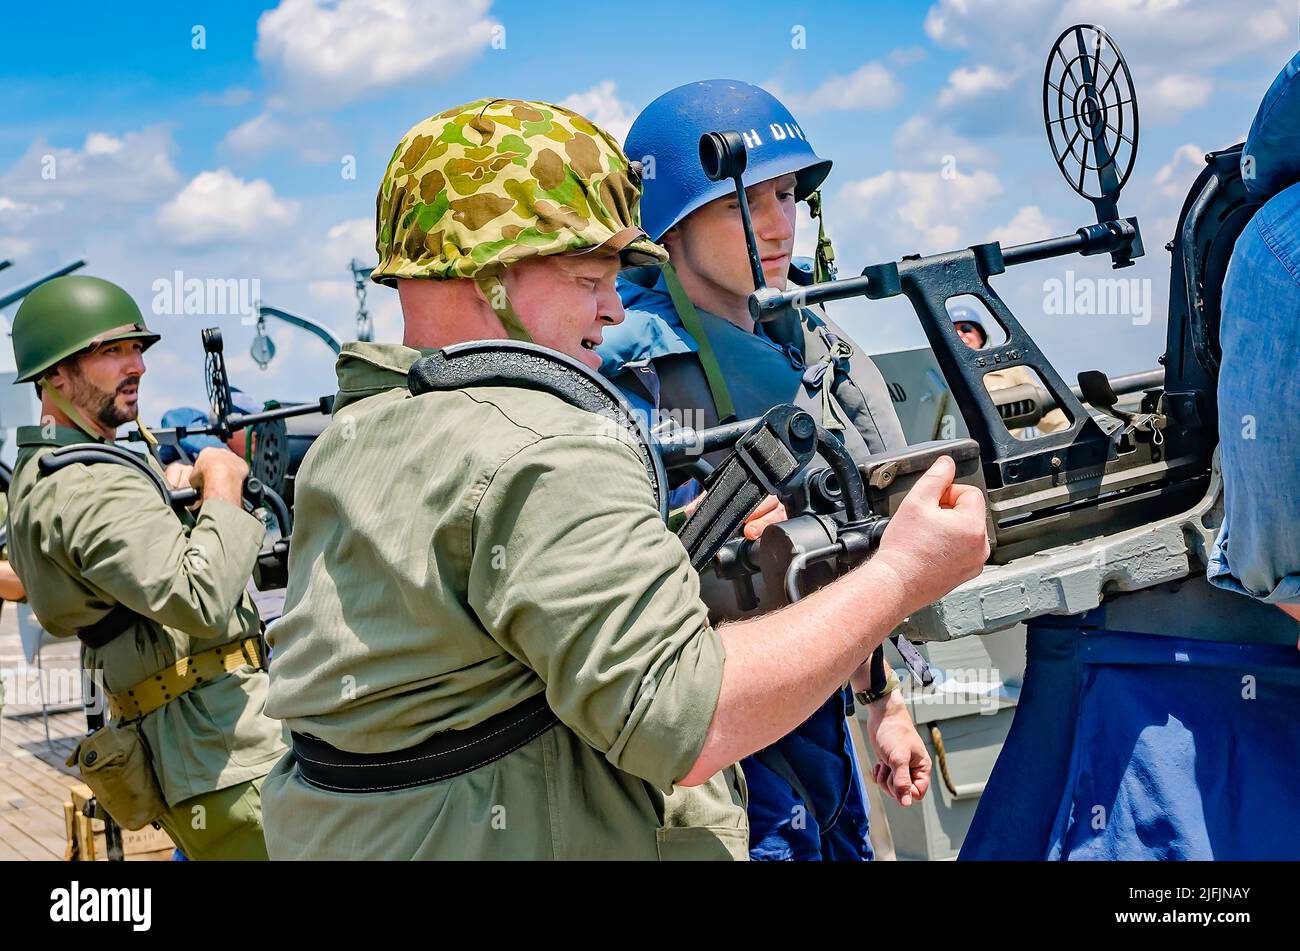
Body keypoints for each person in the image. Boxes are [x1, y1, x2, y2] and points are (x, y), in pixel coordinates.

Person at [259, 97, 989, 860]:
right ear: (488, 275)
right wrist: (902, 574)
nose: (611, 312)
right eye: (585, 280)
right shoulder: (545, 444)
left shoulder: (362, 430)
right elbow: (689, 720)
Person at [597, 80, 928, 860]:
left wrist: (882, 700)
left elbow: (840, 542)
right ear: (670, 226)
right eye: (745, 201)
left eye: (787, 195)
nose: (778, 224)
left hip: (816, 719)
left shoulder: (801, 342)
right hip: (713, 741)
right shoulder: (632, 371)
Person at [5, 275, 285, 859]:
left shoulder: (51, 470)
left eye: (138, 349)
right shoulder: (86, 484)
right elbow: (200, 599)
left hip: (198, 755)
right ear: (55, 374)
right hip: (224, 754)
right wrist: (224, 487)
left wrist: (167, 504)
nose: (137, 366)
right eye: (112, 352)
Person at [948, 302, 1068, 435]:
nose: (960, 334)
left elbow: (1052, 417)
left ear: (980, 335)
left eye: (966, 328)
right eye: (953, 331)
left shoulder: (1009, 371)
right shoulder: (938, 376)